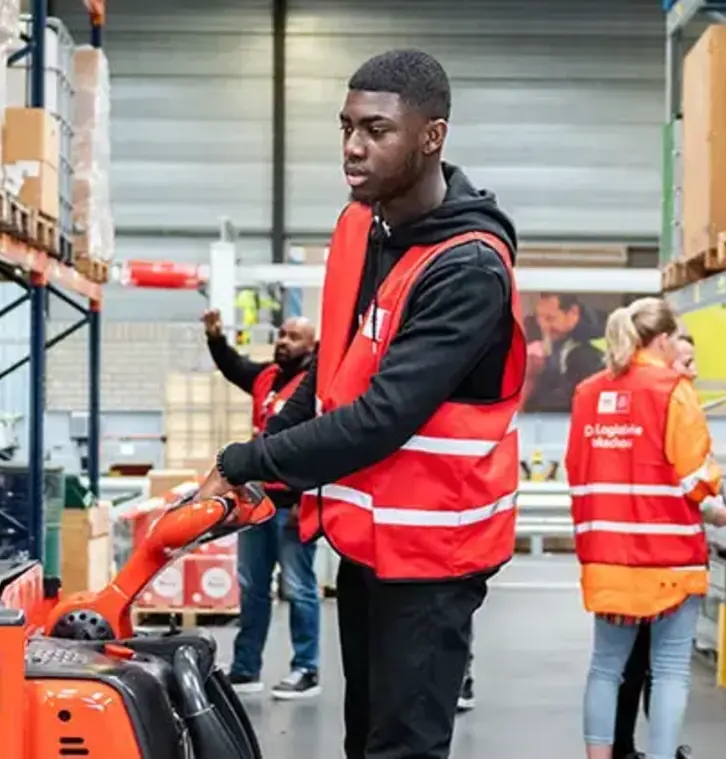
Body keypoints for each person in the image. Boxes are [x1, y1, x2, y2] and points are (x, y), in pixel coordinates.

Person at [193, 48, 521, 759]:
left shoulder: (467, 268)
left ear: (431, 136)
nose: (352, 147)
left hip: (434, 555)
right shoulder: (363, 228)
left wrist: (248, 459)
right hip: (369, 546)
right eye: (346, 127)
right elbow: (329, 375)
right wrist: (263, 451)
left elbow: (380, 418)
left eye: (376, 130)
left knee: (402, 749)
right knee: (363, 739)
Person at [567, 299, 726, 759]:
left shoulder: (587, 393)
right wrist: (719, 508)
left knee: (605, 668)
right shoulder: (672, 390)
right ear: (663, 340)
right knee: (668, 671)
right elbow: (695, 476)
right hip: (668, 558)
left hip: (606, 553)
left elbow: (578, 467)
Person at [201, 309, 322, 700]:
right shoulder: (267, 378)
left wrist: (309, 502)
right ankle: (245, 668)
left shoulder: (315, 388)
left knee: (299, 587)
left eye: (294, 337)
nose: (283, 341)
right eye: (282, 334)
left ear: (312, 347)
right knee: (252, 586)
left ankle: (306, 668)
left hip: (294, 503)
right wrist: (216, 339)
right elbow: (235, 367)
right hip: (256, 500)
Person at [609, 329, 702, 759]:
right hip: (654, 556)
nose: (694, 371)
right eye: (685, 362)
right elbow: (690, 478)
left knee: (634, 662)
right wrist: (713, 501)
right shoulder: (666, 409)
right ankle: (638, 750)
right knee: (651, 665)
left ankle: (630, 748)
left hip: (645, 554)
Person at [524, 293, 607, 412]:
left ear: (573, 313)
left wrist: (531, 380)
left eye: (550, 318)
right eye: (539, 318)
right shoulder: (560, 345)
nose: (544, 327)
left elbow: (567, 402)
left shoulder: (584, 354)